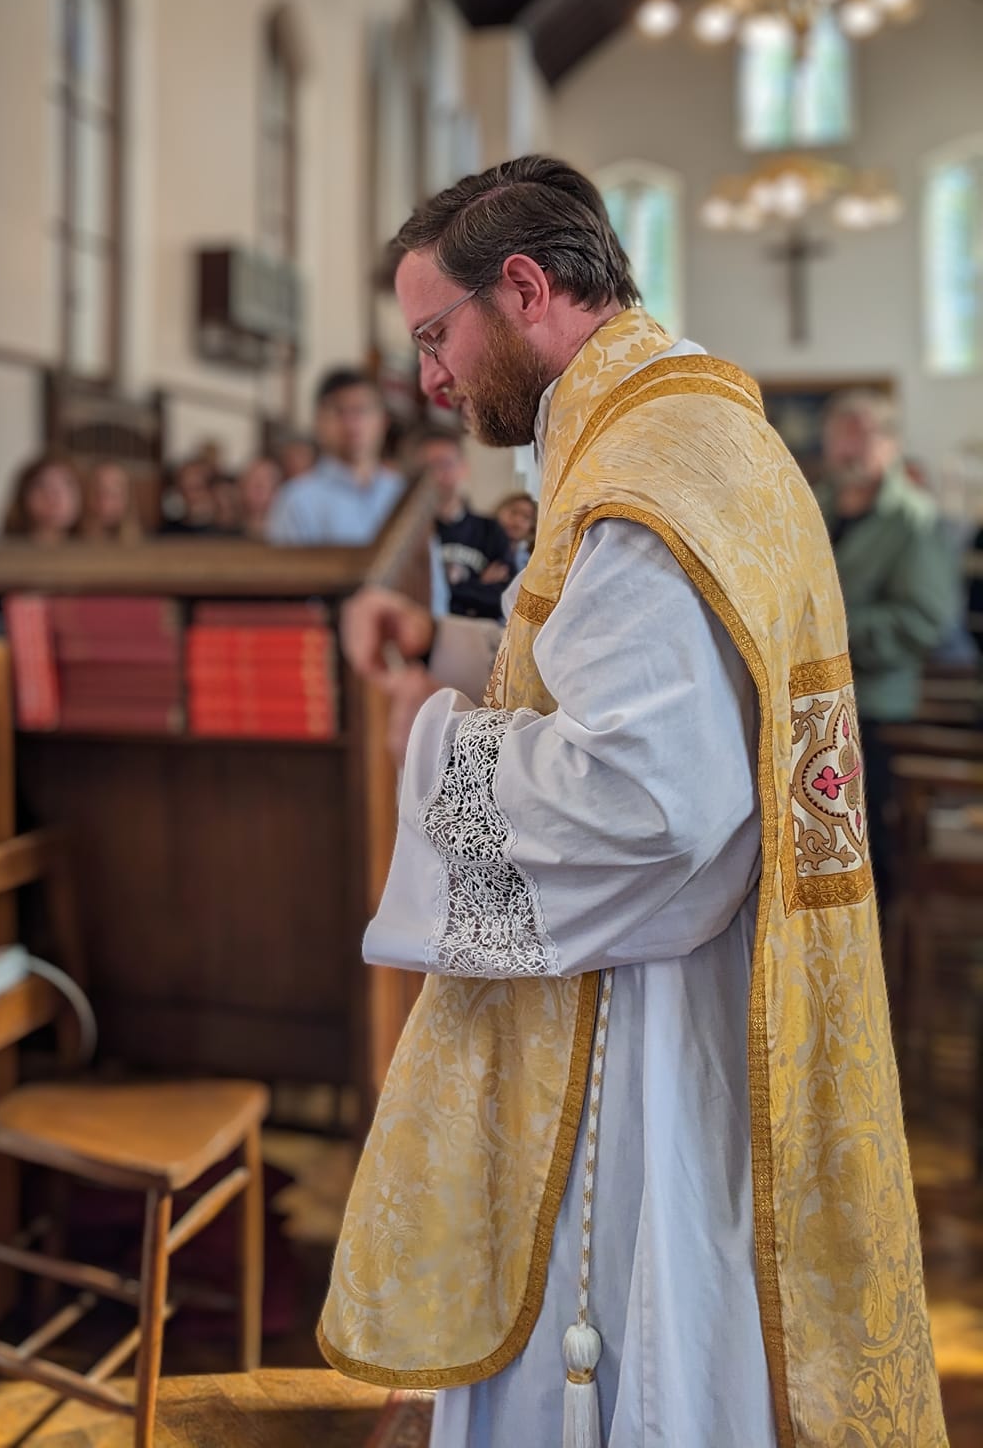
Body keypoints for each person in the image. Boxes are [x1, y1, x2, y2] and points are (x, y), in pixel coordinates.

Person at [318, 156, 941, 1447]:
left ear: (529, 290)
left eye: (437, 335)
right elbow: (597, 668)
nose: (429, 379)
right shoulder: (683, 436)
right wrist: (451, 650)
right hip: (707, 971)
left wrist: (429, 751)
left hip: (645, 1019)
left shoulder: (645, 472)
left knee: (620, 1343)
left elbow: (652, 795)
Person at [817, 392, 959, 900]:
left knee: (867, 849)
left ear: (892, 445)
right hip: (813, 708)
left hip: (875, 708)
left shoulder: (913, 520)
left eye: (864, 435)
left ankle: (877, 958)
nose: (850, 449)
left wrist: (829, 632)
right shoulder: (813, 507)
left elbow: (924, 620)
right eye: (841, 435)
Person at [268, 369, 404, 546]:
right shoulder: (297, 501)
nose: (352, 423)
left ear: (383, 421)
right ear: (319, 421)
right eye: (340, 412)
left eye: (361, 410)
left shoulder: (402, 494)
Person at [411, 426, 512, 621]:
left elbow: (502, 598)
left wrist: (450, 588)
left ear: (463, 468)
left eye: (445, 464)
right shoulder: (411, 536)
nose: (437, 475)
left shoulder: (490, 530)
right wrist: (478, 585)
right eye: (427, 467)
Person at [1, 455, 81, 543]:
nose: (54, 495)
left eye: (66, 484)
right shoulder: (0, 551)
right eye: (42, 485)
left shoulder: (92, 551)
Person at [78, 459, 142, 543]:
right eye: (98, 492)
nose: (106, 502)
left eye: (115, 492)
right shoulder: (71, 539)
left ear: (128, 498)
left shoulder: (147, 545)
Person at [236, 454, 283, 539]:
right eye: (252, 480)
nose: (258, 489)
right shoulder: (225, 529)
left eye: (267, 481)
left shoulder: (289, 533)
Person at [493, 489, 537, 571]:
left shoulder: (528, 561)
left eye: (526, 517)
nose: (518, 520)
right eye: (514, 512)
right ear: (499, 512)